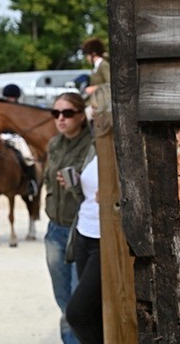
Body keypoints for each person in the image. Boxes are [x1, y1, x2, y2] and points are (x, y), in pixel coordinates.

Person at [43, 92, 94, 344]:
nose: (60, 118)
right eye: (55, 113)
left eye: (67, 113)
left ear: (81, 115)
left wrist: (74, 184)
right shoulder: (53, 144)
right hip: (54, 230)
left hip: (80, 230)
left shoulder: (92, 146)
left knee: (77, 304)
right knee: (63, 299)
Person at [64, 147, 103, 344]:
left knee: (77, 313)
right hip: (83, 234)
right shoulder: (95, 145)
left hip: (103, 241)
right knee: (95, 313)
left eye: (69, 113)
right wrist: (76, 183)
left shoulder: (124, 140)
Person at [0, 82, 38, 198]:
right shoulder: (0, 109)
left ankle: (32, 182)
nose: (11, 99)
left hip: (17, 137)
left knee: (28, 157)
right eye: (9, 97)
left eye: (13, 97)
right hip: (1, 137)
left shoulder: (20, 110)